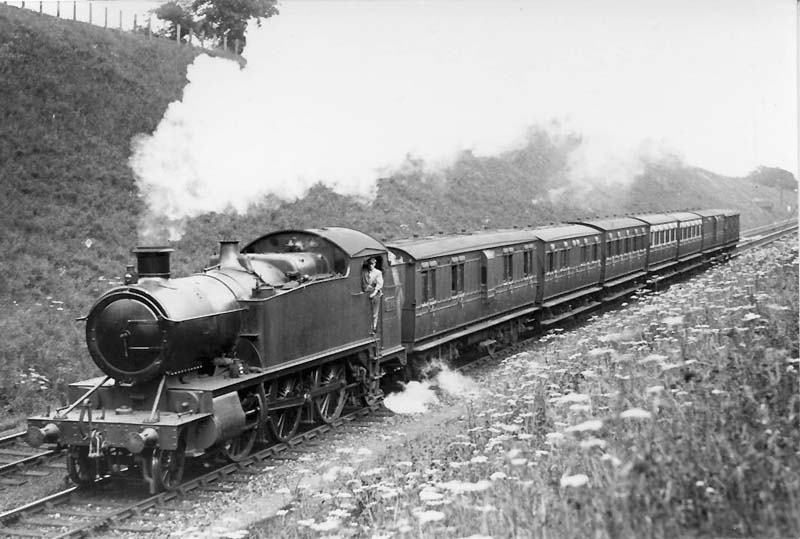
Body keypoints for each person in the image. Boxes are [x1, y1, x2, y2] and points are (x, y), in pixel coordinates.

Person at [362, 257, 383, 333]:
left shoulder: (378, 273)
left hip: (375, 293)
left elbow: (379, 284)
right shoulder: (364, 272)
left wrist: (374, 293)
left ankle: (374, 328)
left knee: (375, 312)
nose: (371, 265)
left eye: (372, 264)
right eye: (370, 264)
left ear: (375, 264)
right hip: (368, 291)